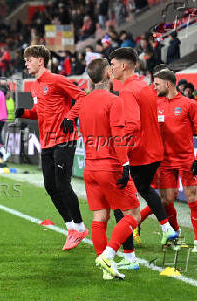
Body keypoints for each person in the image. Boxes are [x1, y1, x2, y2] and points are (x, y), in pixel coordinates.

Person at [69, 58, 141, 280]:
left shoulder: (84, 102)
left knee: (100, 216)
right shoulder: (113, 100)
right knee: (133, 213)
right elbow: (118, 137)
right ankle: (108, 255)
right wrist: (125, 164)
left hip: (89, 167)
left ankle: (106, 271)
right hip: (110, 165)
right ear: (108, 74)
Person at [16, 45, 89, 251]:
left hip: (64, 139)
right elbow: (40, 112)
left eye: (29, 59)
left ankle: (80, 227)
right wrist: (25, 113)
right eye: (25, 60)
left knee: (62, 184)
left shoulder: (56, 79)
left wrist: (70, 116)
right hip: (47, 141)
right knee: (50, 185)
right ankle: (70, 227)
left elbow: (82, 96)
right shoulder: (35, 86)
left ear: (41, 60)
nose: (26, 63)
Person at [109, 48, 178, 249]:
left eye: (113, 65)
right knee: (145, 189)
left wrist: (122, 152)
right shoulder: (146, 87)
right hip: (154, 151)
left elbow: (132, 125)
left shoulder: (128, 91)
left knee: (121, 198)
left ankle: (123, 251)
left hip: (140, 152)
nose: (111, 69)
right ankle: (166, 229)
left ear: (123, 66)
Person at [153, 69, 197, 254]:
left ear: (168, 84)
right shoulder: (155, 103)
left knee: (191, 198)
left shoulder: (189, 104)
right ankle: (175, 234)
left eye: (157, 84)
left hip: (186, 160)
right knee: (166, 201)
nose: (154, 87)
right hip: (165, 162)